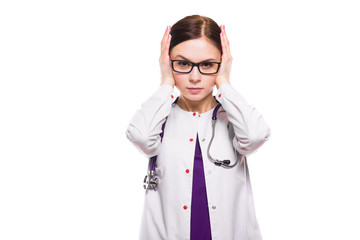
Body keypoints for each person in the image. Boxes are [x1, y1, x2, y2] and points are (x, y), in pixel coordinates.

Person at [126, 14, 271, 240]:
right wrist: (166, 82)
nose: (195, 77)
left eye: (207, 65)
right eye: (183, 63)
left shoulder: (234, 119)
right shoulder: (159, 118)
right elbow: (142, 138)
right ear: (168, 62)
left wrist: (224, 82)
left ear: (222, 64)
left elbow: (255, 137)